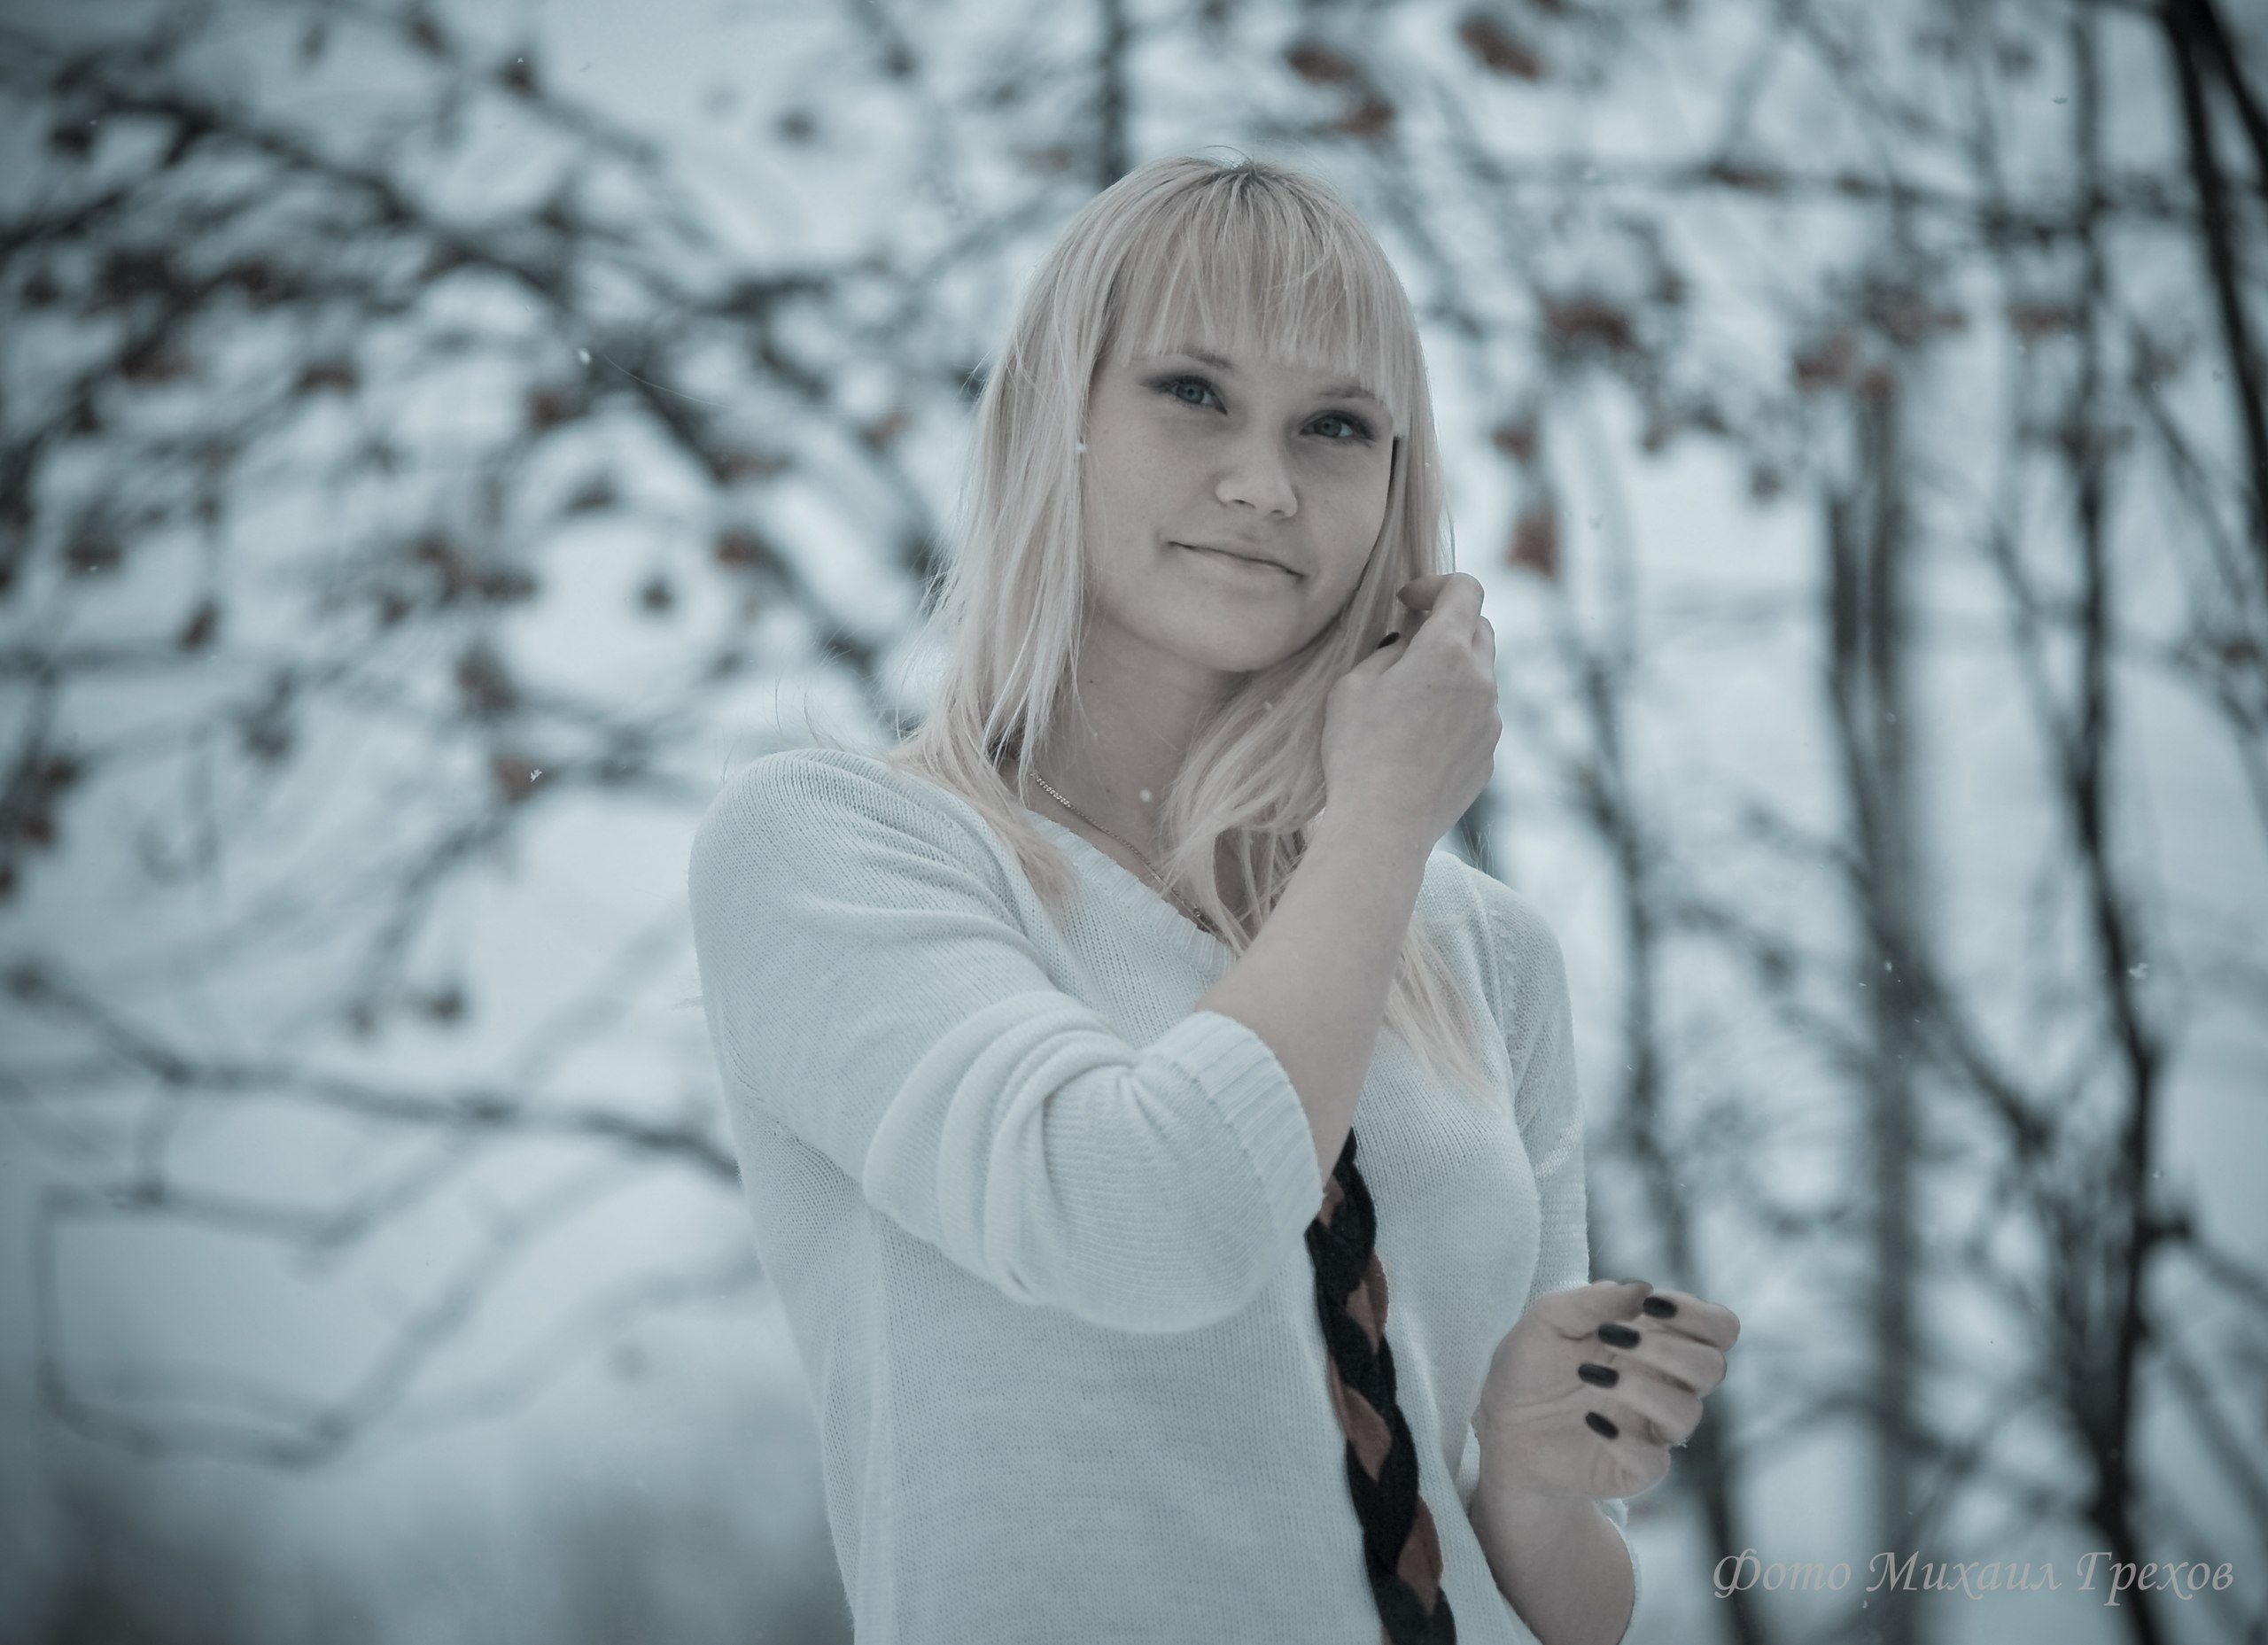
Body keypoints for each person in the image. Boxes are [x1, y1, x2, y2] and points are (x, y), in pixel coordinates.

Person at [687, 152, 1737, 1645]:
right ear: (1056, 419)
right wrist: (1380, 822)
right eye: (1192, 392)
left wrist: (1531, 1484)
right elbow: (1140, 1220)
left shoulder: (1485, 951)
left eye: (1335, 426)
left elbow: (1578, 1611)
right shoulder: (837, 847)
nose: (1264, 484)